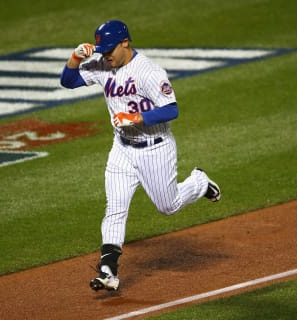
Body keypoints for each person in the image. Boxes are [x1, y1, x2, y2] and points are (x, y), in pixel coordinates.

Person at [60, 20, 221, 292]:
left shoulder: (148, 71)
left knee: (167, 206)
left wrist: (136, 117)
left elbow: (171, 109)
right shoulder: (102, 64)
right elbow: (68, 81)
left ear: (126, 43)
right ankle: (108, 270)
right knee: (115, 208)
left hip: (155, 148)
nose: (106, 54)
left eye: (110, 48)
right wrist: (74, 57)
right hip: (122, 149)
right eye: (103, 49)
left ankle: (199, 182)